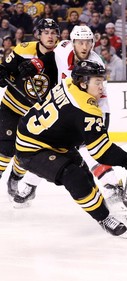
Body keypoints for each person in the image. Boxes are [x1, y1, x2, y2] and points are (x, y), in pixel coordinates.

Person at [14, 60, 127, 237]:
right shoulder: (86, 108)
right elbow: (101, 152)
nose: (102, 87)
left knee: (83, 171)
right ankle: (103, 218)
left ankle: (104, 211)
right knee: (74, 176)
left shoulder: (67, 83)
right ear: (83, 82)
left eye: (102, 81)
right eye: (97, 82)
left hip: (50, 140)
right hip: (32, 149)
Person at [12, 25, 124, 208]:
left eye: (88, 42)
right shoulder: (63, 49)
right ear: (73, 43)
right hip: (61, 106)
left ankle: (112, 184)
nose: (84, 46)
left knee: (90, 150)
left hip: (85, 110)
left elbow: (101, 96)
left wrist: (101, 120)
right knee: (51, 147)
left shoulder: (97, 64)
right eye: (80, 42)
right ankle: (30, 186)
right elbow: (48, 58)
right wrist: (34, 65)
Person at [0, 18, 60, 198]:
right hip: (12, 106)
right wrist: (3, 74)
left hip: (37, 115)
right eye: (46, 32)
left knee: (25, 153)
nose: (50, 36)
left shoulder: (61, 56)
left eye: (53, 33)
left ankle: (15, 178)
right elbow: (6, 70)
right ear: (38, 34)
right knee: (5, 149)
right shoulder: (24, 49)